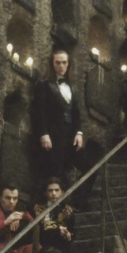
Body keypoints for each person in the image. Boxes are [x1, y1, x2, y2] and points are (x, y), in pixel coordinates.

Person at [36, 50, 84, 180]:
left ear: (68, 64)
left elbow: (76, 112)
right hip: (53, 134)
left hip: (70, 134)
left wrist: (79, 132)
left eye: (64, 62)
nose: (61, 66)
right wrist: (44, 134)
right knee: (54, 171)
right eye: (58, 63)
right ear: (52, 64)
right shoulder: (44, 85)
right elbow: (39, 111)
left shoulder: (72, 87)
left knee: (80, 165)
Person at [34, 177, 75, 253]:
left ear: (62, 192)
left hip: (61, 246)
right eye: (50, 190)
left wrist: (68, 234)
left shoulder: (67, 211)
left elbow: (72, 231)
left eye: (57, 190)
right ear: (45, 193)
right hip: (43, 244)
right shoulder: (38, 209)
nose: (53, 193)